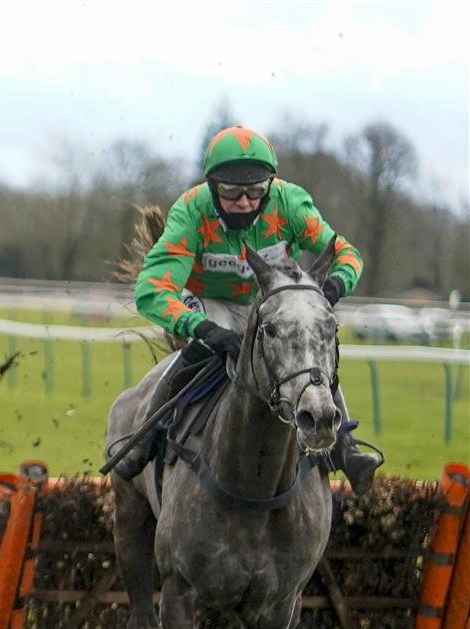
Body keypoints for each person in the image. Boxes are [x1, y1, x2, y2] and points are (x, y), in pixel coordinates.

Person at [110, 125, 382, 494]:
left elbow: (347, 255)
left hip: (266, 300)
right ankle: (144, 438)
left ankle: (346, 448)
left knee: (306, 350)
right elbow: (151, 289)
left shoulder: (290, 202)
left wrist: (329, 289)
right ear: (211, 187)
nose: (244, 202)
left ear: (269, 186)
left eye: (255, 191)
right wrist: (203, 328)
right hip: (208, 302)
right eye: (232, 192)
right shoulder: (191, 211)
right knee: (206, 346)